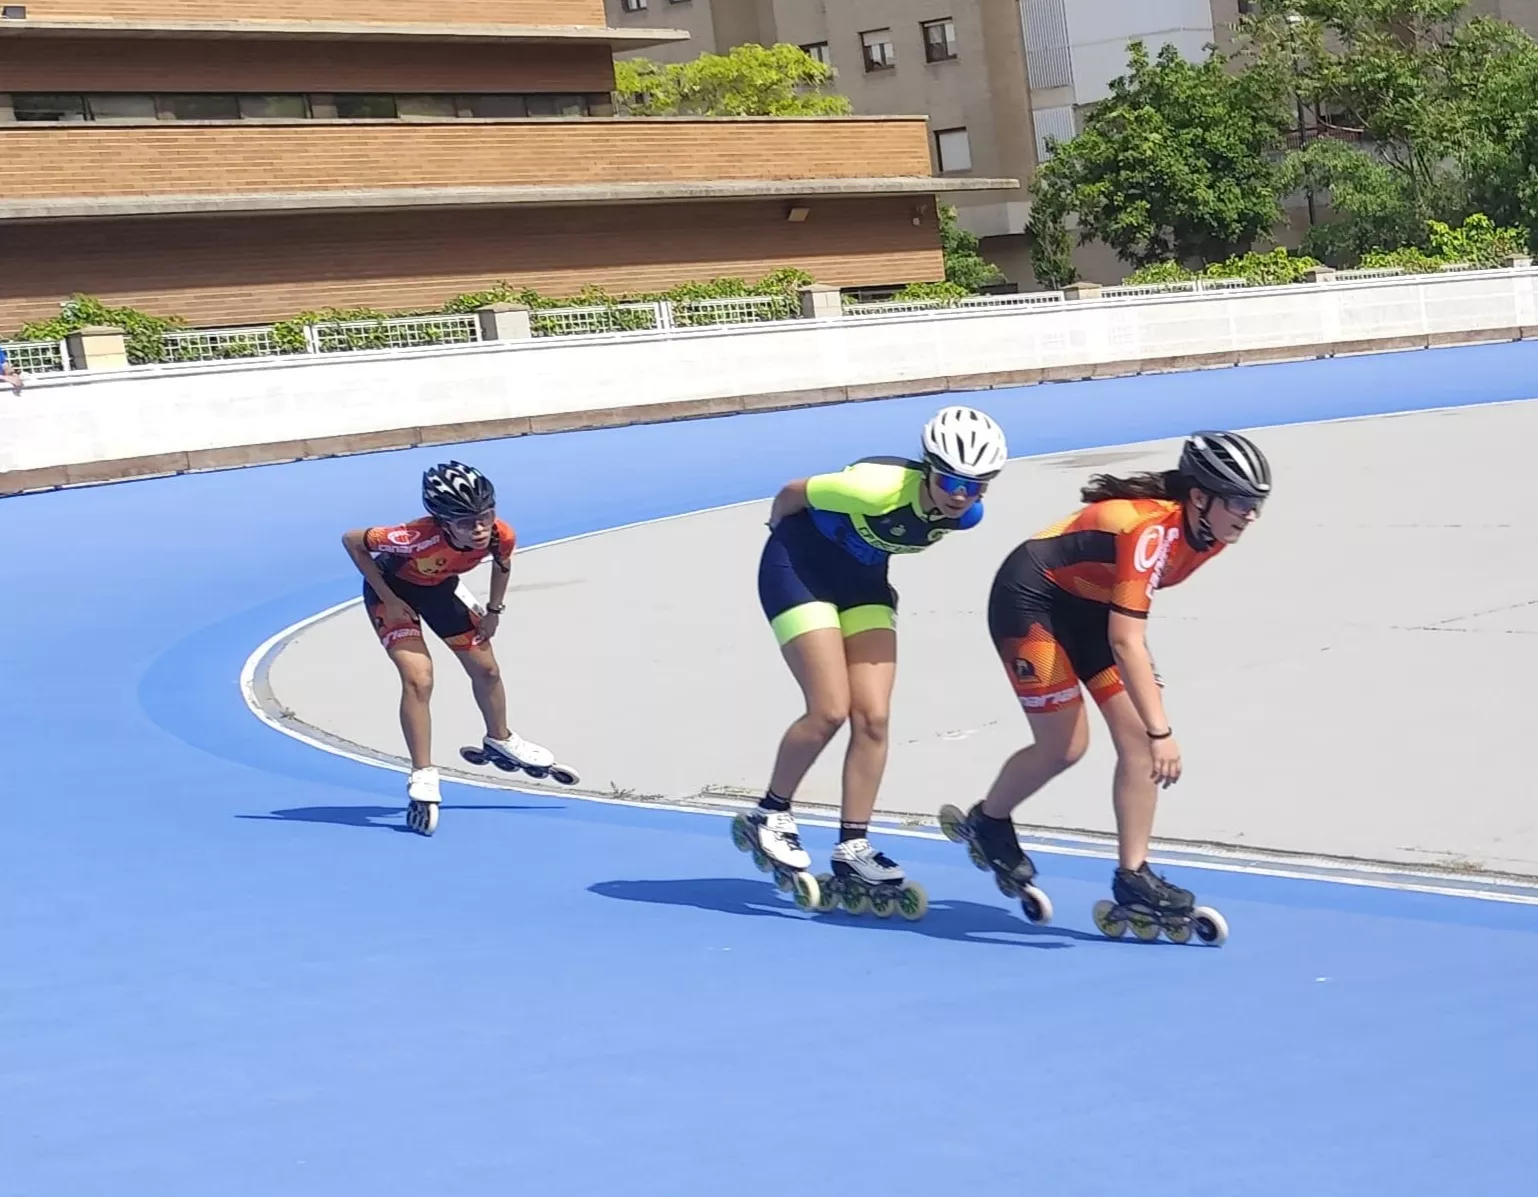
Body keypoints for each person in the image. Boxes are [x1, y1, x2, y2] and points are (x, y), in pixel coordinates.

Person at [945, 430, 1271, 943]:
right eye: (1240, 502)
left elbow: (1122, 627)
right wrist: (1163, 730)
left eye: (1257, 503)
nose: (1250, 515)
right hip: (1032, 600)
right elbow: (1126, 639)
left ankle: (1133, 876)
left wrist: (1151, 727)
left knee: (1137, 742)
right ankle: (989, 820)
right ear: (1200, 497)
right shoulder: (1152, 532)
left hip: (1090, 608)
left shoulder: (1209, 532)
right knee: (1067, 746)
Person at [735, 405, 1009, 917]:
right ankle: (769, 815)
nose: (960, 495)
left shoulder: (967, 516)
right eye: (951, 479)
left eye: (976, 485)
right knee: (829, 709)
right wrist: (777, 532)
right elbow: (792, 493)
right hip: (797, 569)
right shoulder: (873, 487)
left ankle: (852, 848)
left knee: (875, 719)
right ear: (930, 467)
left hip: (863, 586)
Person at [341, 460, 560, 834]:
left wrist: (494, 610)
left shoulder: (500, 534)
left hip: (441, 591)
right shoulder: (412, 537)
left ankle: (500, 738)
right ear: (443, 522)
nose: (478, 529)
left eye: (485, 516)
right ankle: (423, 772)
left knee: (487, 669)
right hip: (394, 595)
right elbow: (352, 541)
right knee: (419, 680)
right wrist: (387, 598)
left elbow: (502, 566)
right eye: (465, 522)